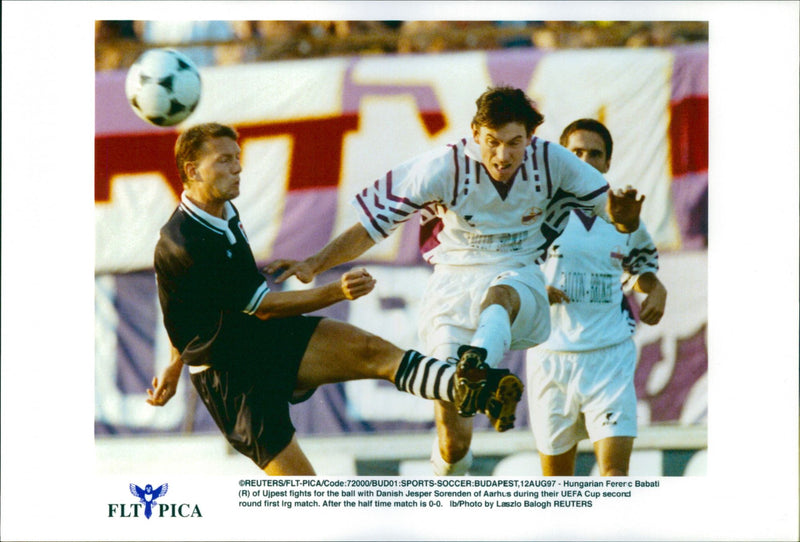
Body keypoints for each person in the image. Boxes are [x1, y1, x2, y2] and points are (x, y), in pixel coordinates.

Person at [266, 86, 645, 476]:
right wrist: (314, 263)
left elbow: (614, 213)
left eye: (515, 143)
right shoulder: (441, 167)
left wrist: (626, 218)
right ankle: (450, 477)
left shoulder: (554, 160)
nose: (503, 155)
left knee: (503, 292)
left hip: (520, 272)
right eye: (493, 142)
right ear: (475, 133)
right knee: (454, 440)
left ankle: (477, 361)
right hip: (451, 286)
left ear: (530, 139)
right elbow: (371, 227)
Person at [146, 122, 522, 476]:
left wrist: (173, 366)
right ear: (193, 171)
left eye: (237, 157)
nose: (238, 167)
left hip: (261, 340)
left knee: (373, 351)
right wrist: (334, 292)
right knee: (308, 498)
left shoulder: (223, 209)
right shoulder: (184, 242)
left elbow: (188, 304)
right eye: (224, 160)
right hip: (228, 374)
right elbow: (262, 307)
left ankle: (486, 390)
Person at [526, 118, 667, 476]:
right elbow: (506, 270)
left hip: (608, 356)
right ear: (563, 158)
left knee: (614, 478)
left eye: (595, 153)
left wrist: (656, 289)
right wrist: (534, 290)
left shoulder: (622, 215)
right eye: (577, 153)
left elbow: (641, 270)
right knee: (557, 484)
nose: (586, 160)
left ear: (607, 163)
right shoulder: (535, 212)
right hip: (551, 357)